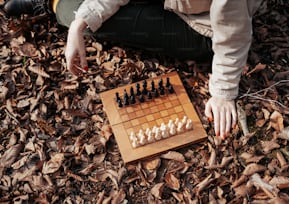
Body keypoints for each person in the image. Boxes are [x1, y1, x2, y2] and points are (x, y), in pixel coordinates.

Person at [3, 0, 263, 140]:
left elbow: (233, 36)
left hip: (206, 27)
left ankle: (53, 4)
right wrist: (78, 26)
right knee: (84, 16)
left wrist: (223, 92)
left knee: (95, 20)